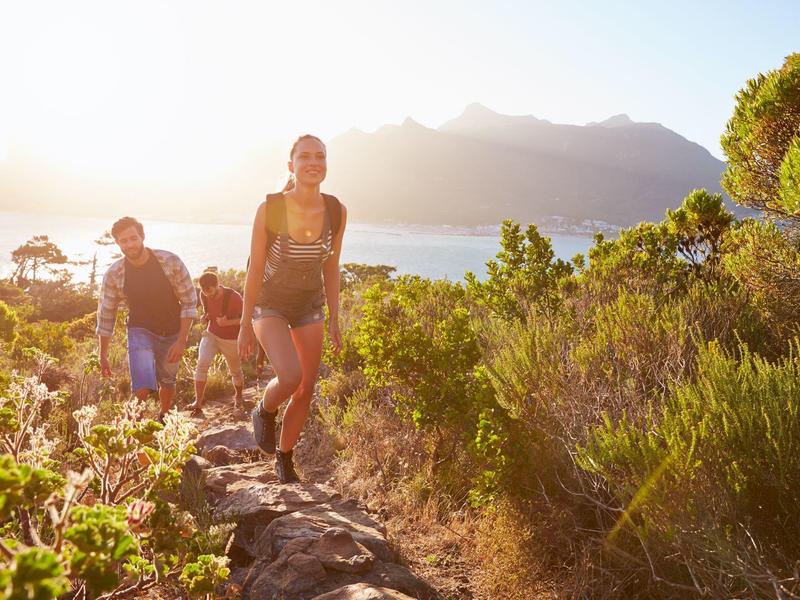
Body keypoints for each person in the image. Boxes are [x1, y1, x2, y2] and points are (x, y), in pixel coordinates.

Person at [238, 134, 346, 484]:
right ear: (291, 165)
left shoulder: (335, 210)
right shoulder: (270, 208)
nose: (313, 163)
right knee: (290, 376)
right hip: (269, 302)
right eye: (305, 157)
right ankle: (264, 409)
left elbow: (331, 267)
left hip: (309, 304)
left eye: (320, 157)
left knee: (306, 387)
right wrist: (243, 324)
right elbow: (254, 268)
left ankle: (284, 459)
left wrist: (335, 318)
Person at [96, 217, 197, 421]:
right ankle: (131, 433)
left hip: (172, 331)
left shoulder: (170, 261)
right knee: (142, 385)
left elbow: (188, 301)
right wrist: (103, 354)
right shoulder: (115, 274)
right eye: (124, 241)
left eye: (133, 238)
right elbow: (106, 315)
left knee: (168, 381)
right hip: (139, 330)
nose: (130, 244)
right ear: (118, 243)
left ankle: (164, 416)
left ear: (142, 236)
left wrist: (181, 340)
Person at [186, 271, 245, 416]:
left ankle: (238, 396)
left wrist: (228, 323)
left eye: (210, 291)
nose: (208, 295)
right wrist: (204, 318)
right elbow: (208, 313)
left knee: (235, 370)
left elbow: (248, 319)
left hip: (231, 339)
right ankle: (198, 401)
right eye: (205, 292)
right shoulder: (203, 295)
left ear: (217, 285)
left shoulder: (234, 297)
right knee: (202, 364)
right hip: (211, 334)